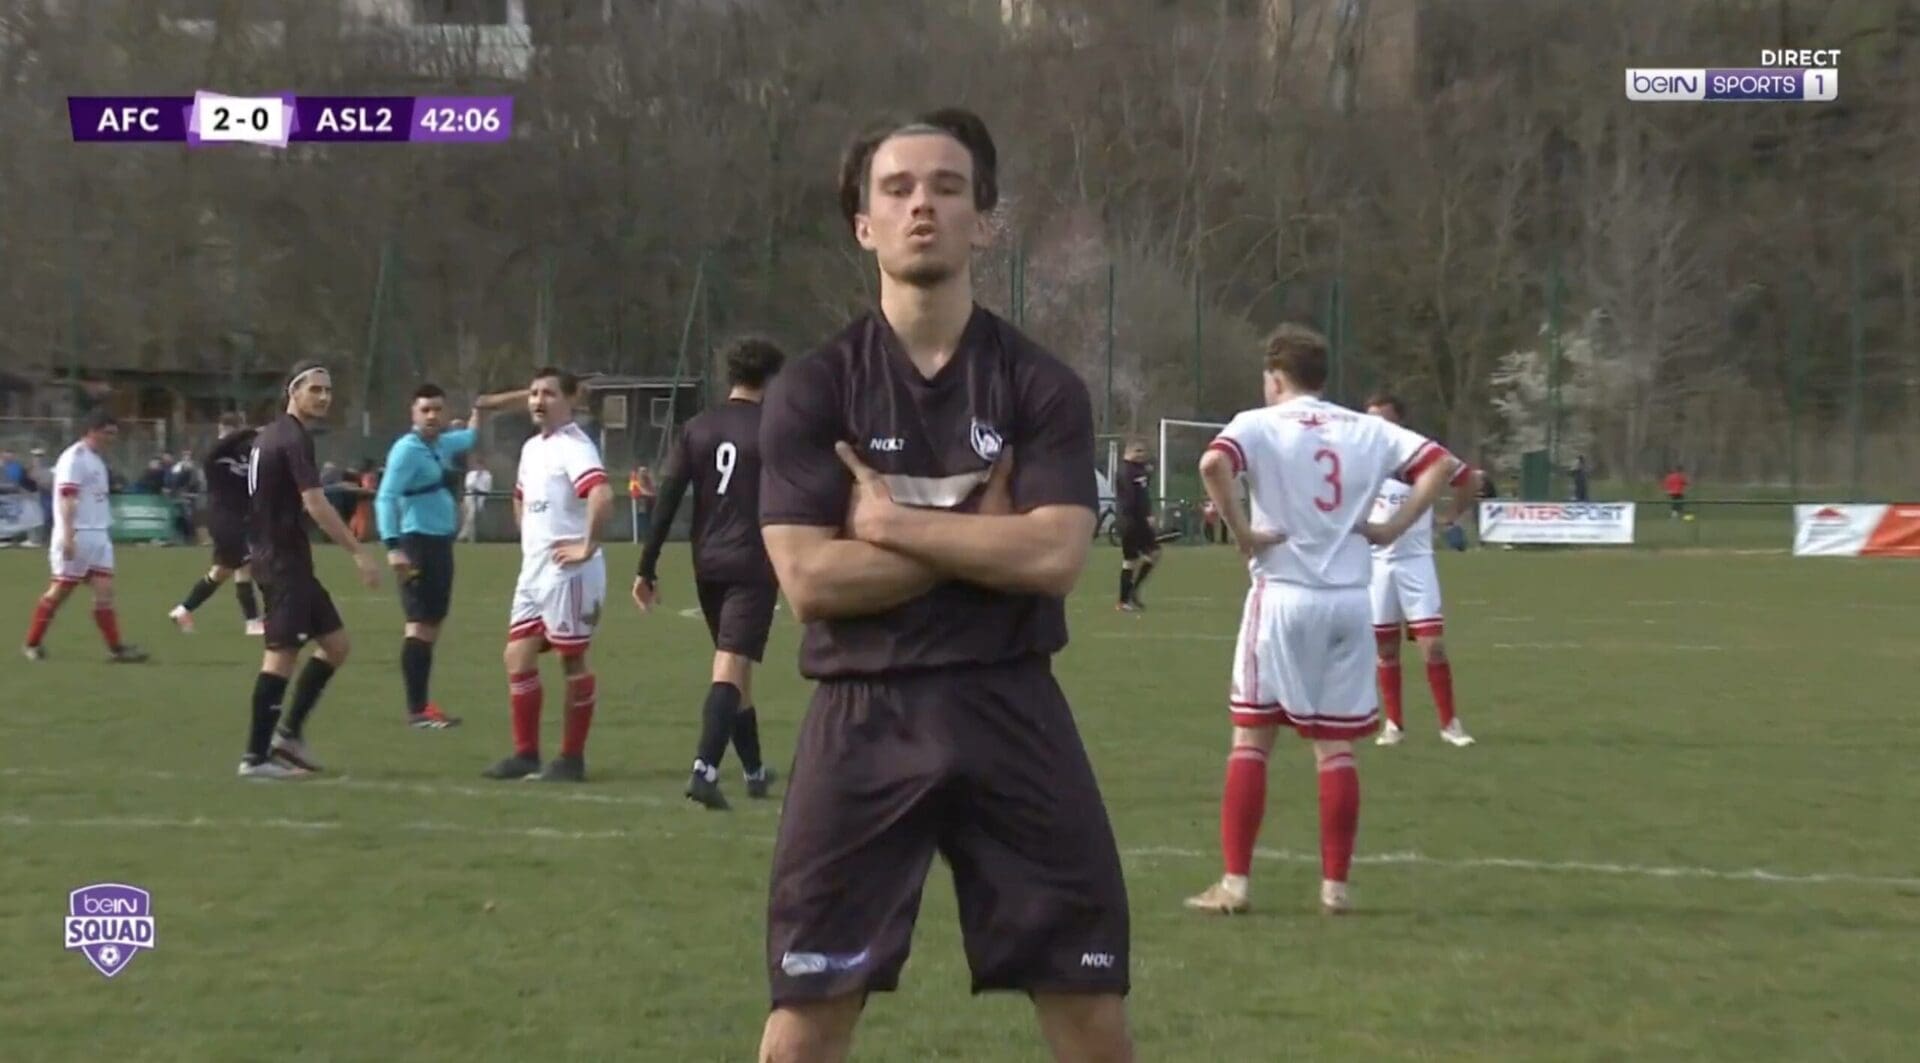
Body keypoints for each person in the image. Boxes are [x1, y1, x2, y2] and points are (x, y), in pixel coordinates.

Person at [755, 108, 1132, 1063]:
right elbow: (808, 579)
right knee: (808, 1016)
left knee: (1089, 1002)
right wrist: (977, 534)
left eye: (948, 187)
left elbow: (1053, 559)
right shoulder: (815, 388)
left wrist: (887, 525)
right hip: (861, 713)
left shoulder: (1040, 385)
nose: (922, 204)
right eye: (897, 188)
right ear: (863, 224)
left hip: (1012, 706)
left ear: (985, 222)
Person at [1184, 324, 1460, 918]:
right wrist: (1393, 527)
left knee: (1253, 739)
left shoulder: (1258, 424)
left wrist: (1242, 532)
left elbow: (1212, 465)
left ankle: (1235, 884)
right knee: (1335, 749)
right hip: (1348, 601)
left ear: (1274, 377)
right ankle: (1335, 889)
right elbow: (1442, 465)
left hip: (1282, 595)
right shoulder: (1368, 429)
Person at [633, 337, 787, 810]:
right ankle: (705, 768)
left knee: (736, 667)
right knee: (730, 666)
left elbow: (668, 500)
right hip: (752, 563)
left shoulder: (697, 427)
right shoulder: (774, 429)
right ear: (772, 379)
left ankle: (755, 770)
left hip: (708, 563)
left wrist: (647, 565)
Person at [239, 361, 381, 779]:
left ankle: (288, 737)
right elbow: (315, 503)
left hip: (288, 560)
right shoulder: (292, 438)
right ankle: (255, 757)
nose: (323, 397)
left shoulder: (272, 435)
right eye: (314, 389)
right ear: (292, 391)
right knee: (281, 655)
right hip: (281, 562)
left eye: (327, 390)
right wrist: (358, 551)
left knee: (336, 645)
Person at [481, 367, 612, 783]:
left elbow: (601, 494)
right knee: (516, 656)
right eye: (534, 393)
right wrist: (530, 537)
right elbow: (521, 498)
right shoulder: (533, 448)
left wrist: (586, 546)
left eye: (549, 394)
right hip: (535, 571)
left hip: (567, 572)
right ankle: (526, 754)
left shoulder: (576, 447)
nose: (538, 400)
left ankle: (572, 759)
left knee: (572, 660)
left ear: (570, 400)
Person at [375, 383, 525, 730]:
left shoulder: (440, 444)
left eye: (437, 409)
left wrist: (481, 410)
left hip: (439, 544)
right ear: (413, 413)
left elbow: (470, 438)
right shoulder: (407, 450)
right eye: (425, 409)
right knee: (419, 624)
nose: (432, 415)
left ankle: (424, 706)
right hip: (417, 544)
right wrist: (393, 547)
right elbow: (385, 497)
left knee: (432, 624)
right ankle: (417, 710)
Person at [1362, 394, 1477, 749]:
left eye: (1383, 418)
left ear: (1399, 422)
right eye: (1371, 419)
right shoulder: (1360, 457)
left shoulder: (1421, 455)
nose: (1376, 426)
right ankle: (1394, 724)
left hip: (1415, 562)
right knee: (1385, 648)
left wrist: (1451, 517)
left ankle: (1450, 724)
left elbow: (1467, 478)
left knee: (1433, 647)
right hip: (1376, 564)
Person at [21, 409, 148, 663]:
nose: (112, 439)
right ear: (92, 430)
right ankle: (32, 643)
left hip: (98, 535)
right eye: (108, 433)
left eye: (114, 434)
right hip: (79, 535)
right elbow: (68, 497)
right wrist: (68, 535)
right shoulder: (74, 457)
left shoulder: (96, 458)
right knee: (60, 591)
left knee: (104, 591)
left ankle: (116, 649)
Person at [168, 412, 264, 636]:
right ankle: (252, 622)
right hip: (223, 518)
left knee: (221, 572)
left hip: (241, 518)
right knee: (245, 565)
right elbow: (228, 443)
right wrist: (251, 431)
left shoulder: (246, 456)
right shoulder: (213, 455)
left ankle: (183, 610)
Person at [1113, 440, 1158, 611]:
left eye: (1143, 451)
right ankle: (1126, 597)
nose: (1142, 454)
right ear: (1128, 452)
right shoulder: (1126, 471)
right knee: (1137, 558)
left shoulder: (1139, 470)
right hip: (1132, 521)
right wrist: (1146, 516)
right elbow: (1132, 498)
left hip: (1135, 520)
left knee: (1143, 556)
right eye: (1138, 451)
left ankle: (1128, 596)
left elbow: (1143, 491)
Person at [461, 456, 492, 542]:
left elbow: (487, 489)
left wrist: (478, 489)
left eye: (481, 466)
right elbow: (468, 485)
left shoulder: (487, 476)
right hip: (469, 496)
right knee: (470, 515)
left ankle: (465, 535)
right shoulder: (471, 475)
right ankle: (468, 537)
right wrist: (476, 477)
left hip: (480, 497)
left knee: (473, 517)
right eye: (478, 466)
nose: (479, 468)